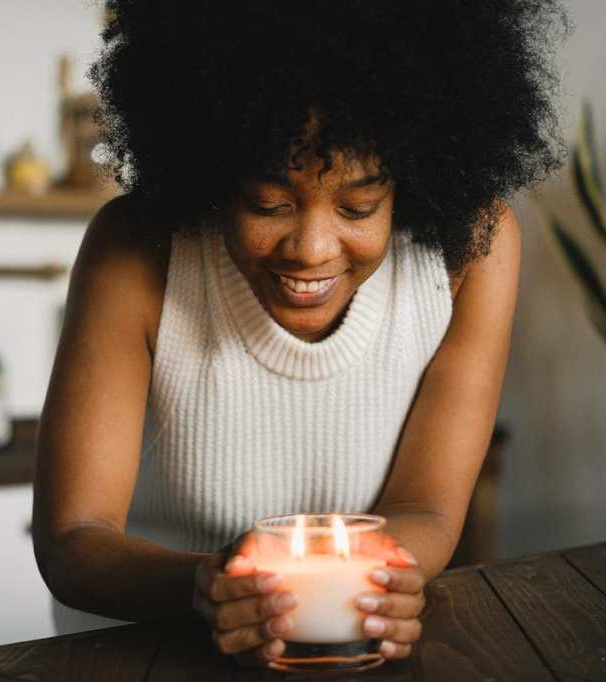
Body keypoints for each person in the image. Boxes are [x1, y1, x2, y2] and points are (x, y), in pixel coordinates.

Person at [33, 0, 565, 666]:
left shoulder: (470, 254)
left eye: (358, 206)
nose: (312, 249)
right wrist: (208, 587)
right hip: (137, 657)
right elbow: (73, 540)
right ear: (212, 170)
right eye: (268, 203)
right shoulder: (137, 251)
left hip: (342, 650)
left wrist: (380, 586)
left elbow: (425, 508)